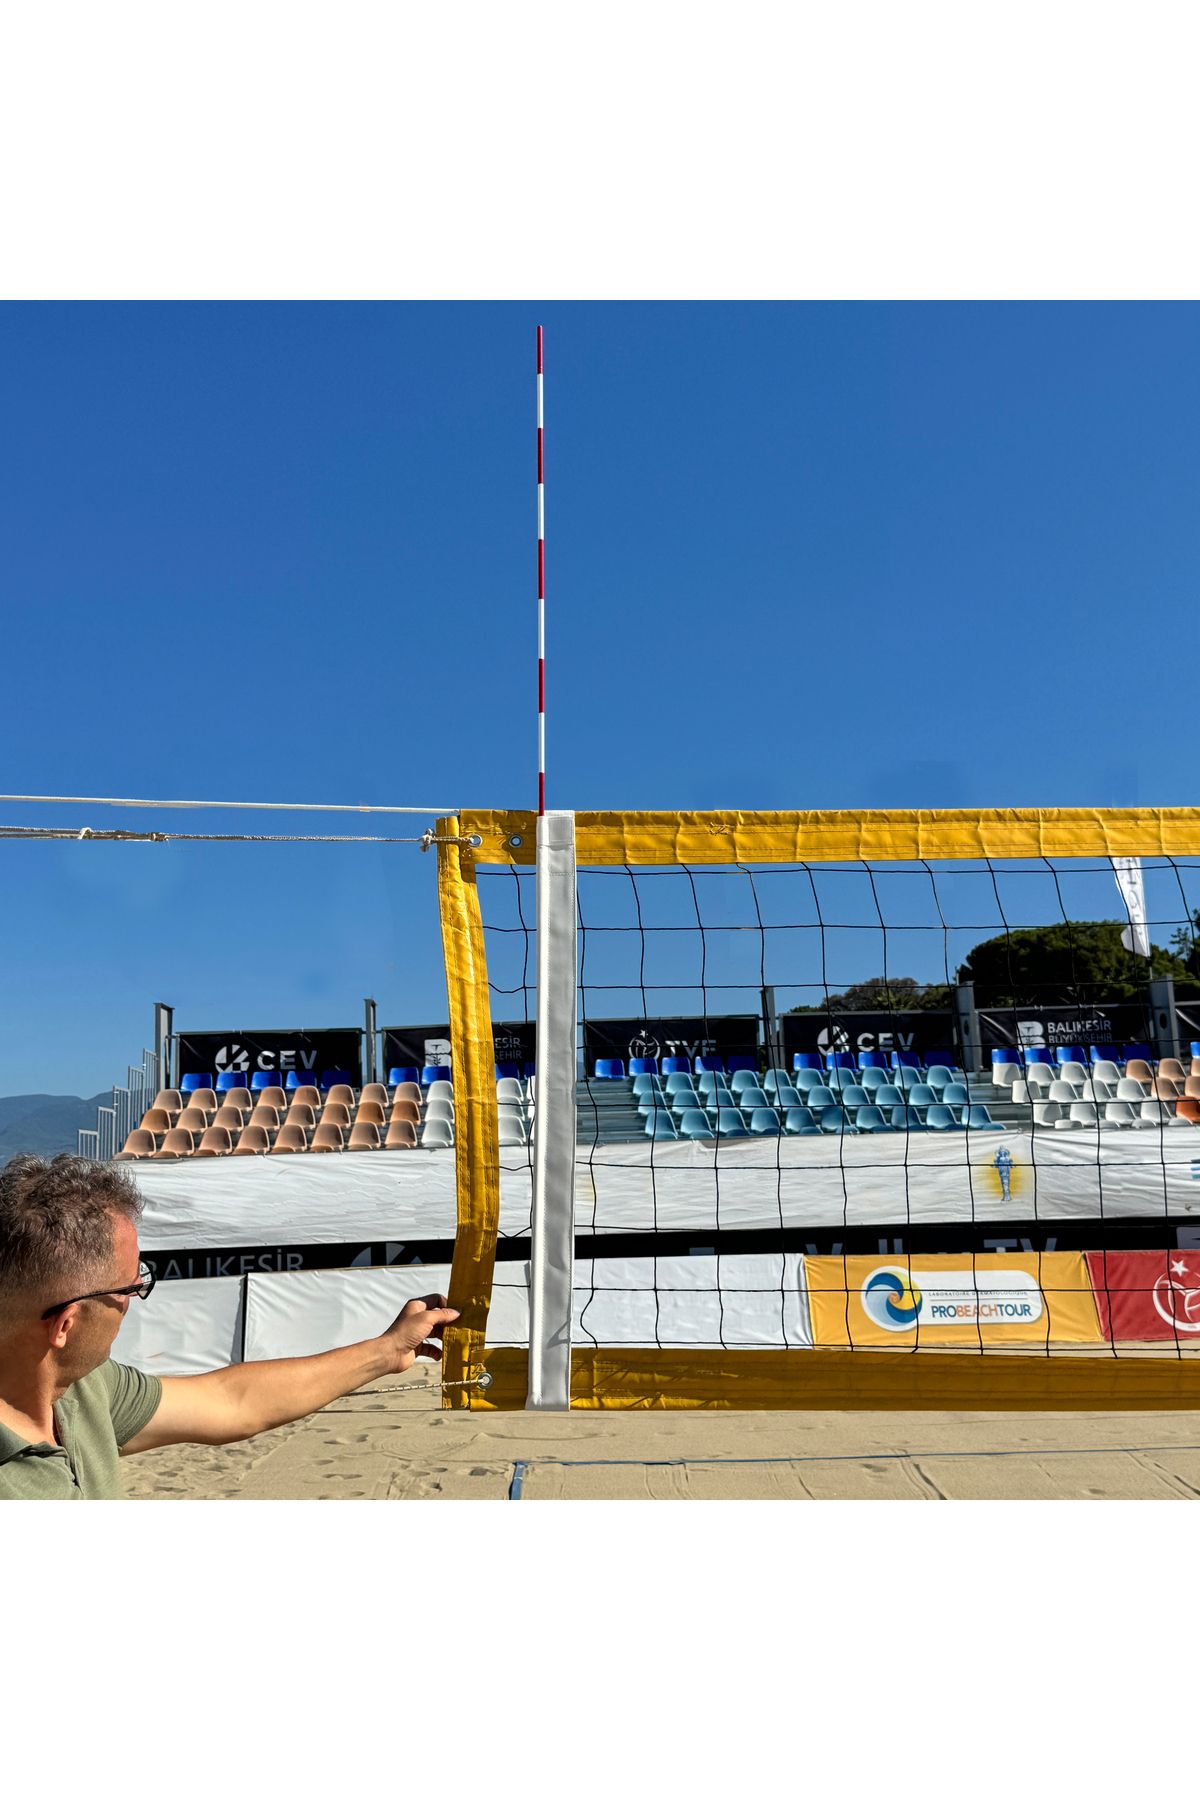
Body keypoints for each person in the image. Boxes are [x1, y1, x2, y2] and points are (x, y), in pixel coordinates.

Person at [0, 1152, 459, 1499]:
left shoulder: (84, 1387)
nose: (133, 1301)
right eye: (128, 1290)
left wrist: (386, 1350)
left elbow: (231, 1401)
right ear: (65, 1326)